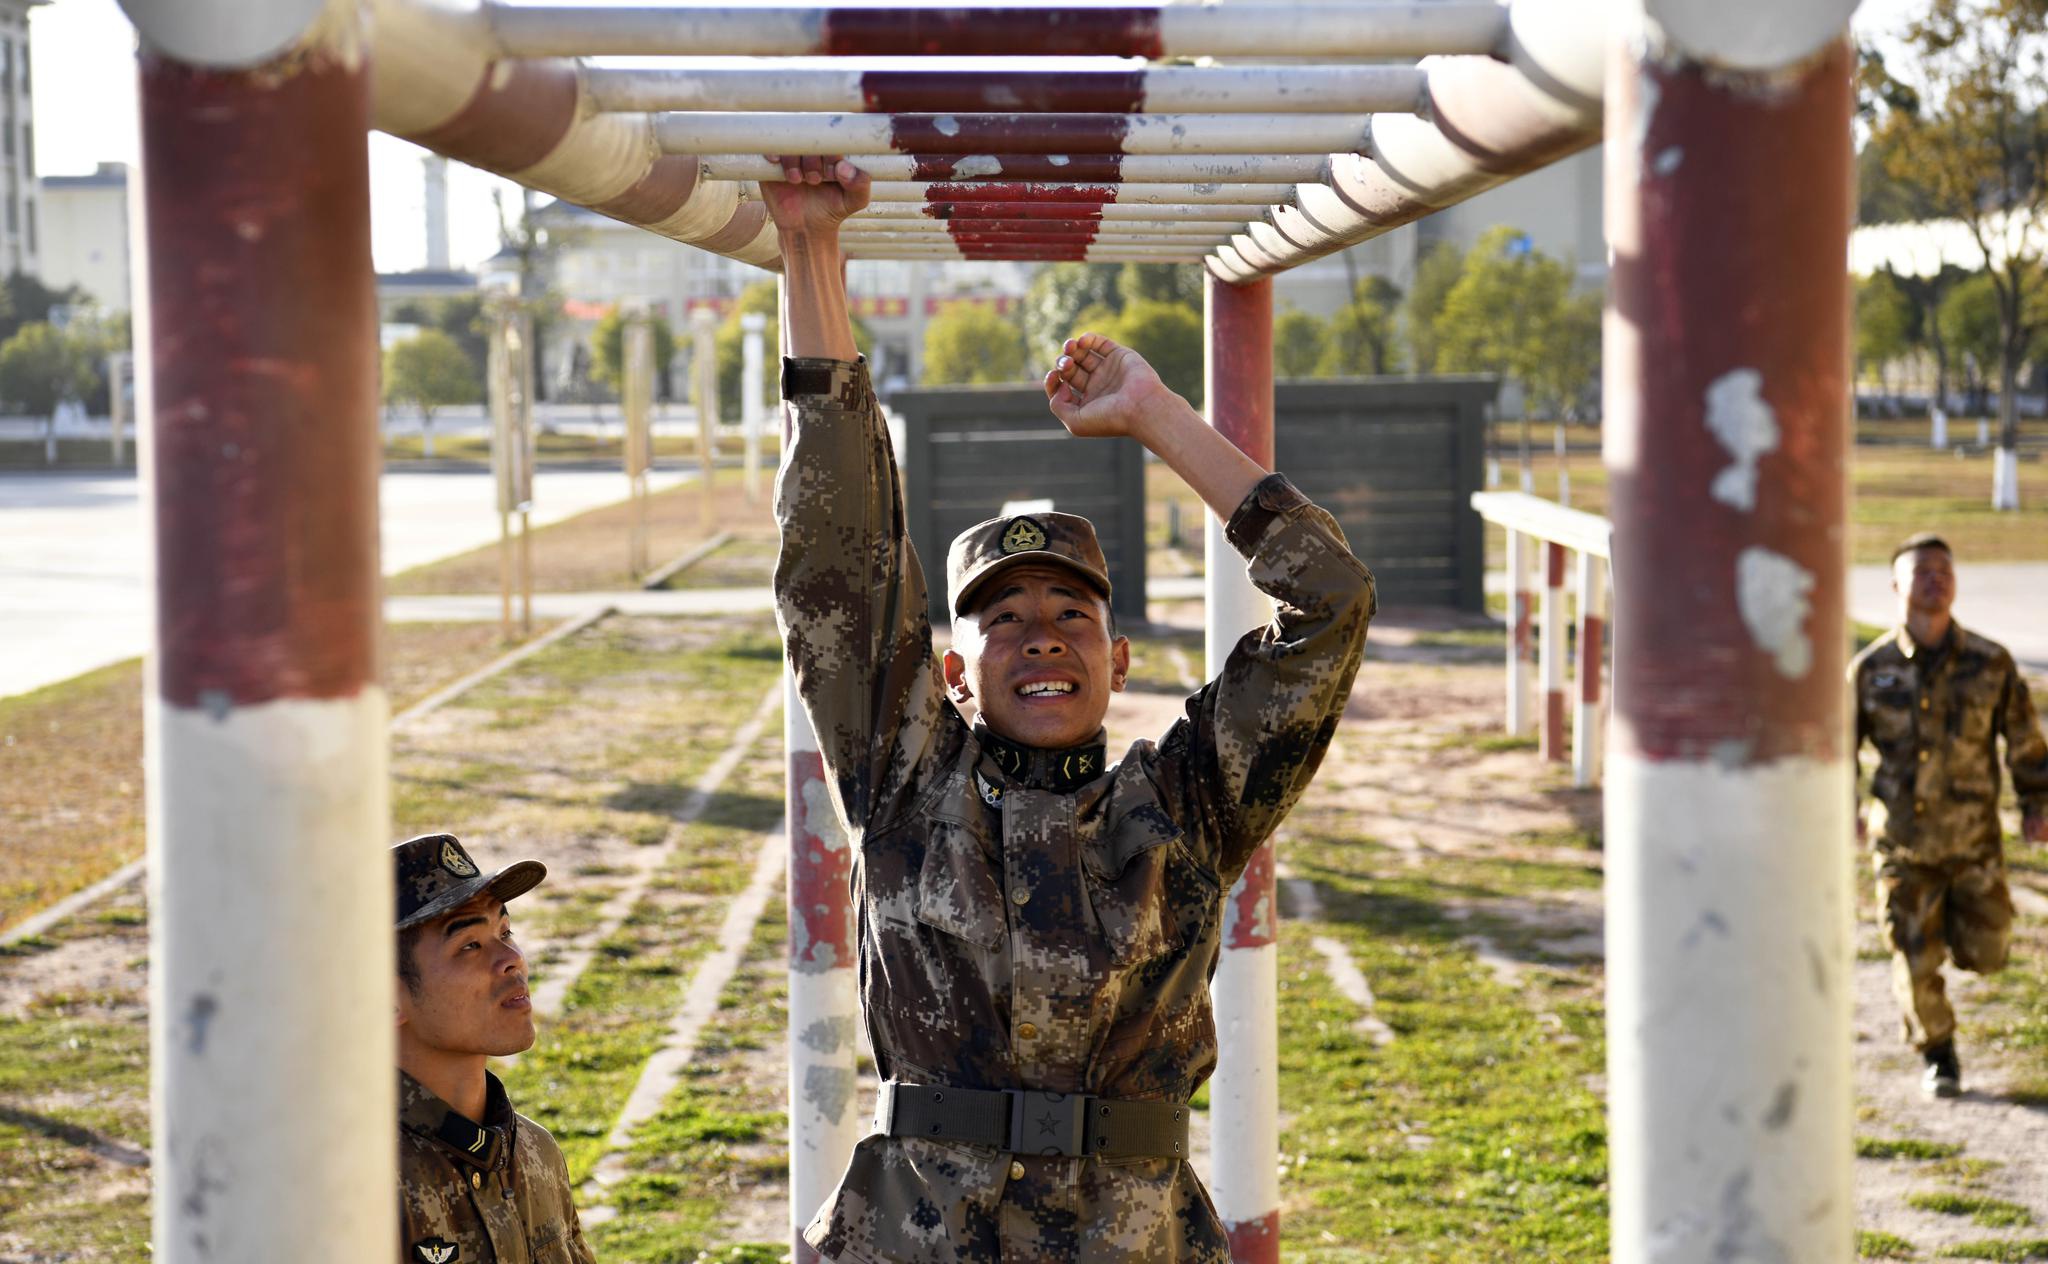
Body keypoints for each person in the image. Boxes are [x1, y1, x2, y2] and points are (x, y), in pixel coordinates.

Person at [765, 155, 1374, 1261]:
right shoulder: (906, 780)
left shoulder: (1181, 806)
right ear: (954, 674)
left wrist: (1155, 417)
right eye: (1000, 619)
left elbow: (1328, 607)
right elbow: (841, 557)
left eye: (1069, 612)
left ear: (1118, 658)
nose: (1040, 633)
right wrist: (811, 247)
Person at [1852, 534, 2048, 1098]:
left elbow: (2026, 740)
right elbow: (1839, 746)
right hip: (1903, 847)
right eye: (1922, 571)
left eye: (1945, 570)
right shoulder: (1871, 670)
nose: (1936, 579)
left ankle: (1961, 946)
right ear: (1896, 586)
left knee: (1987, 953)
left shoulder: (1991, 663)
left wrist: (2036, 803)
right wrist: (1844, 808)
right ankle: (1938, 1053)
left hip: (1975, 844)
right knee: (1913, 957)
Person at [392, 832, 596, 1263]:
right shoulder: (348, 1189)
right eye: (469, 945)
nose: (511, 959)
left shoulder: (536, 1153)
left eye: (506, 931)